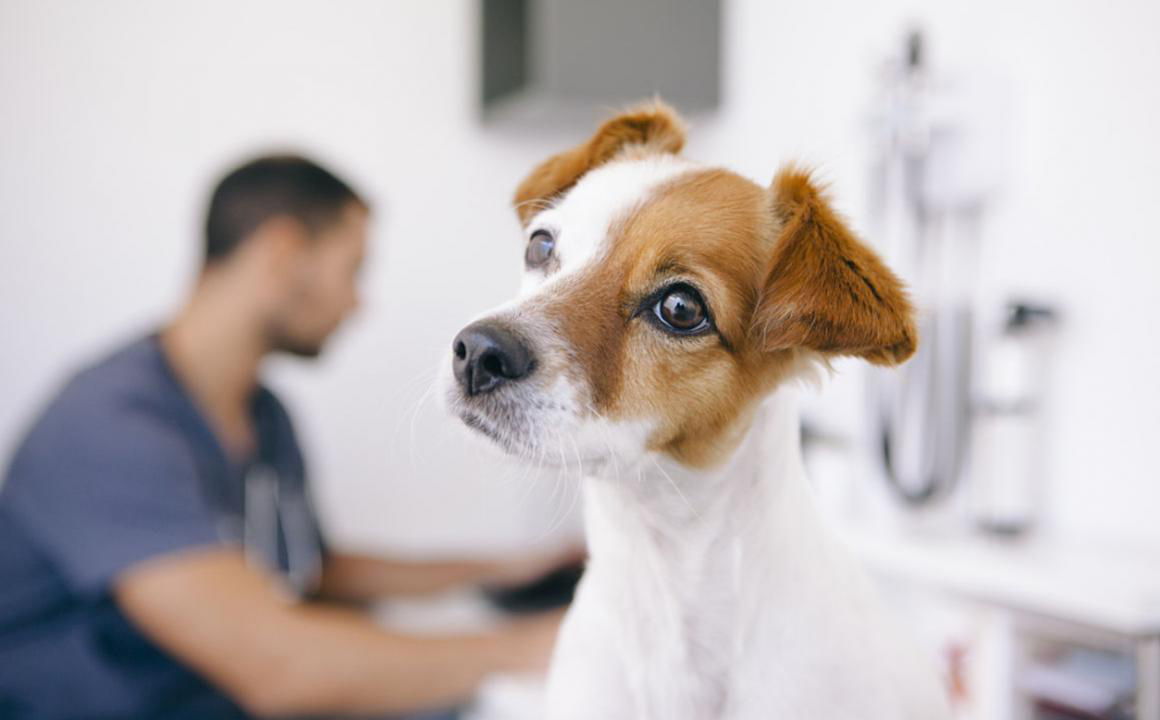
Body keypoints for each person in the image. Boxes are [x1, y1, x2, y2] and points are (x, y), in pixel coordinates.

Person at [0, 155, 571, 720]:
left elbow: (310, 569)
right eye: (352, 270)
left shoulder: (265, 416)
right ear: (281, 254)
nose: (357, 303)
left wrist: (498, 569)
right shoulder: (110, 425)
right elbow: (278, 669)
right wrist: (546, 642)